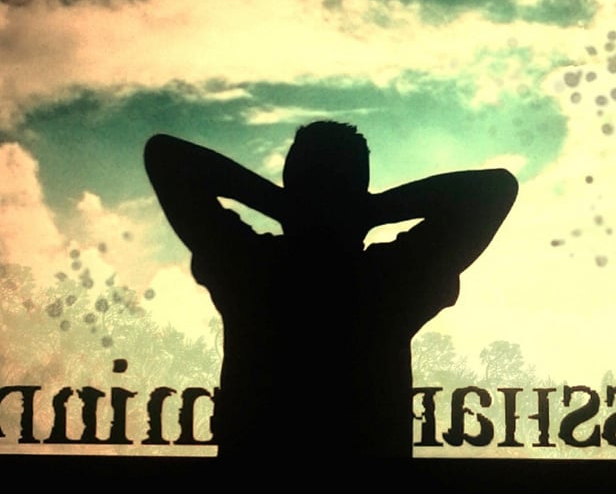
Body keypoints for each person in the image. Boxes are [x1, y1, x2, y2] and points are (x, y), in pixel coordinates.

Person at [143, 123, 518, 465]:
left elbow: (166, 157)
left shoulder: (248, 266)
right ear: (360, 190)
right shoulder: (392, 279)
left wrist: (283, 204)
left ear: (290, 183)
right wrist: (372, 210)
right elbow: (495, 189)